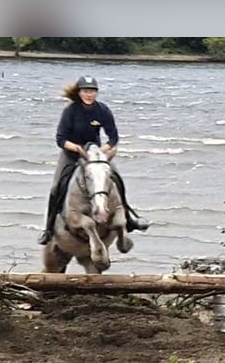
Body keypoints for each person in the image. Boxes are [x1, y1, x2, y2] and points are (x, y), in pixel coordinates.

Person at [38, 75, 149, 245]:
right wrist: (77, 149)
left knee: (116, 179)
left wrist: (101, 151)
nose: (89, 94)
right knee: (55, 187)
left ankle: (129, 219)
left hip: (96, 155)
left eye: (92, 91)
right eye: (85, 91)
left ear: (96, 93)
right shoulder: (71, 111)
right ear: (80, 92)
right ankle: (48, 228)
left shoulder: (102, 110)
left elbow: (113, 137)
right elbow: (60, 139)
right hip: (72, 153)